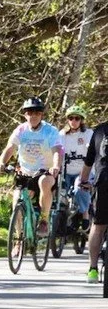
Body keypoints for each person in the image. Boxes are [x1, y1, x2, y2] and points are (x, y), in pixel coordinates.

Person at [0, 96, 63, 237]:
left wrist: (56, 165)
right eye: (30, 112)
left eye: (37, 112)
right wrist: (1, 162)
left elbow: (57, 150)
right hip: (25, 172)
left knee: (44, 182)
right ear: (25, 114)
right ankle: (19, 238)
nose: (33, 115)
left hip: (45, 172)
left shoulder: (50, 131)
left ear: (41, 114)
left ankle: (43, 220)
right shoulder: (21, 130)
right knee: (16, 201)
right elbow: (10, 148)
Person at [78, 115, 108, 282]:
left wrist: (83, 181)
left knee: (98, 226)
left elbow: (89, 162)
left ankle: (93, 269)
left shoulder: (99, 131)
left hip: (103, 181)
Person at [60, 104, 94, 222]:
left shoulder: (88, 133)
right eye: (71, 118)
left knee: (80, 188)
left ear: (81, 120)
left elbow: (91, 146)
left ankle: (85, 214)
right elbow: (56, 151)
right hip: (66, 171)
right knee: (59, 193)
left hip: (83, 171)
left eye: (77, 118)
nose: (74, 121)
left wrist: (89, 147)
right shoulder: (62, 135)